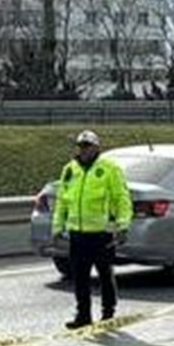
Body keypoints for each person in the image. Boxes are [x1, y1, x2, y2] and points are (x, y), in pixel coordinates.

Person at [52, 130, 133, 329]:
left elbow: (121, 198)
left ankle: (108, 313)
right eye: (81, 146)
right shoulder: (70, 170)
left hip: (101, 233)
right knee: (80, 277)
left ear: (97, 147)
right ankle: (83, 315)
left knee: (105, 274)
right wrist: (57, 227)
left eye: (87, 146)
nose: (83, 150)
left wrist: (123, 226)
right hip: (78, 233)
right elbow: (62, 200)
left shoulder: (109, 169)